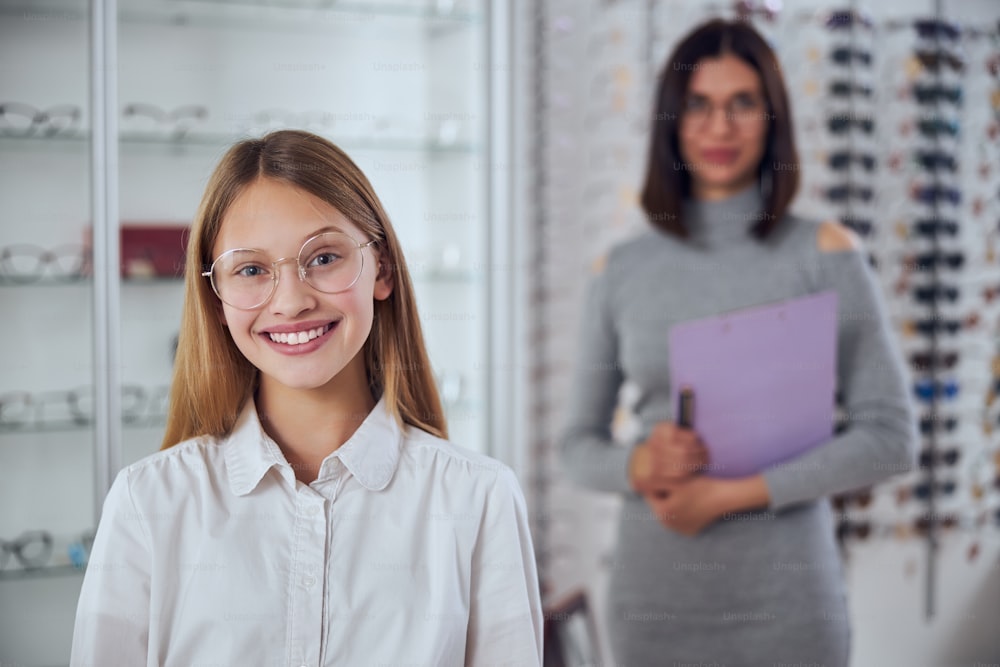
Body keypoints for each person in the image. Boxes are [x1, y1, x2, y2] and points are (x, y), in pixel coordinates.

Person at [70, 129, 543, 666]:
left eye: (323, 258)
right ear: (216, 298)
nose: (291, 302)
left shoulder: (478, 501)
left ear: (381, 269)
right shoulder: (147, 504)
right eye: (251, 270)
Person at [559, 19, 917, 667]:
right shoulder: (619, 269)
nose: (719, 127)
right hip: (654, 606)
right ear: (672, 119)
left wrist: (728, 494)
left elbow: (892, 437)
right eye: (698, 104)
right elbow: (576, 447)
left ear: (772, 117)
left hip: (790, 607)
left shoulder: (828, 254)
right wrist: (638, 463)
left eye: (742, 103)